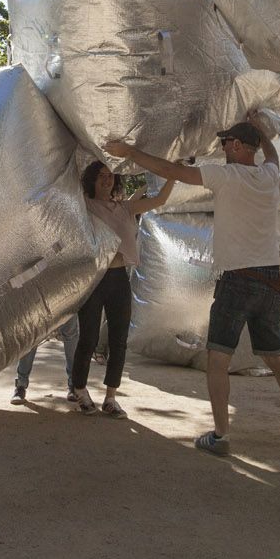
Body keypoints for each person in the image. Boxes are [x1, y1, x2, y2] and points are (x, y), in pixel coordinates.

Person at [105, 110, 280, 455]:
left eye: (225, 142)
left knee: (217, 359)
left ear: (237, 146)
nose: (221, 147)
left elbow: (173, 171)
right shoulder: (268, 176)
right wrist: (261, 130)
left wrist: (129, 153)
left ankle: (221, 436)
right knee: (276, 358)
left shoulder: (225, 176)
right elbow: (275, 155)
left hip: (237, 280)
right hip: (269, 280)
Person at [59, 162, 174, 418]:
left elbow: (161, 198)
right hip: (94, 278)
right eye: (101, 176)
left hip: (119, 278)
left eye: (110, 176)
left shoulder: (126, 206)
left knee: (118, 340)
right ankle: (79, 389)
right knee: (88, 338)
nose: (106, 180)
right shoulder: (84, 205)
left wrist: (173, 174)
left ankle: (111, 397)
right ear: (91, 180)